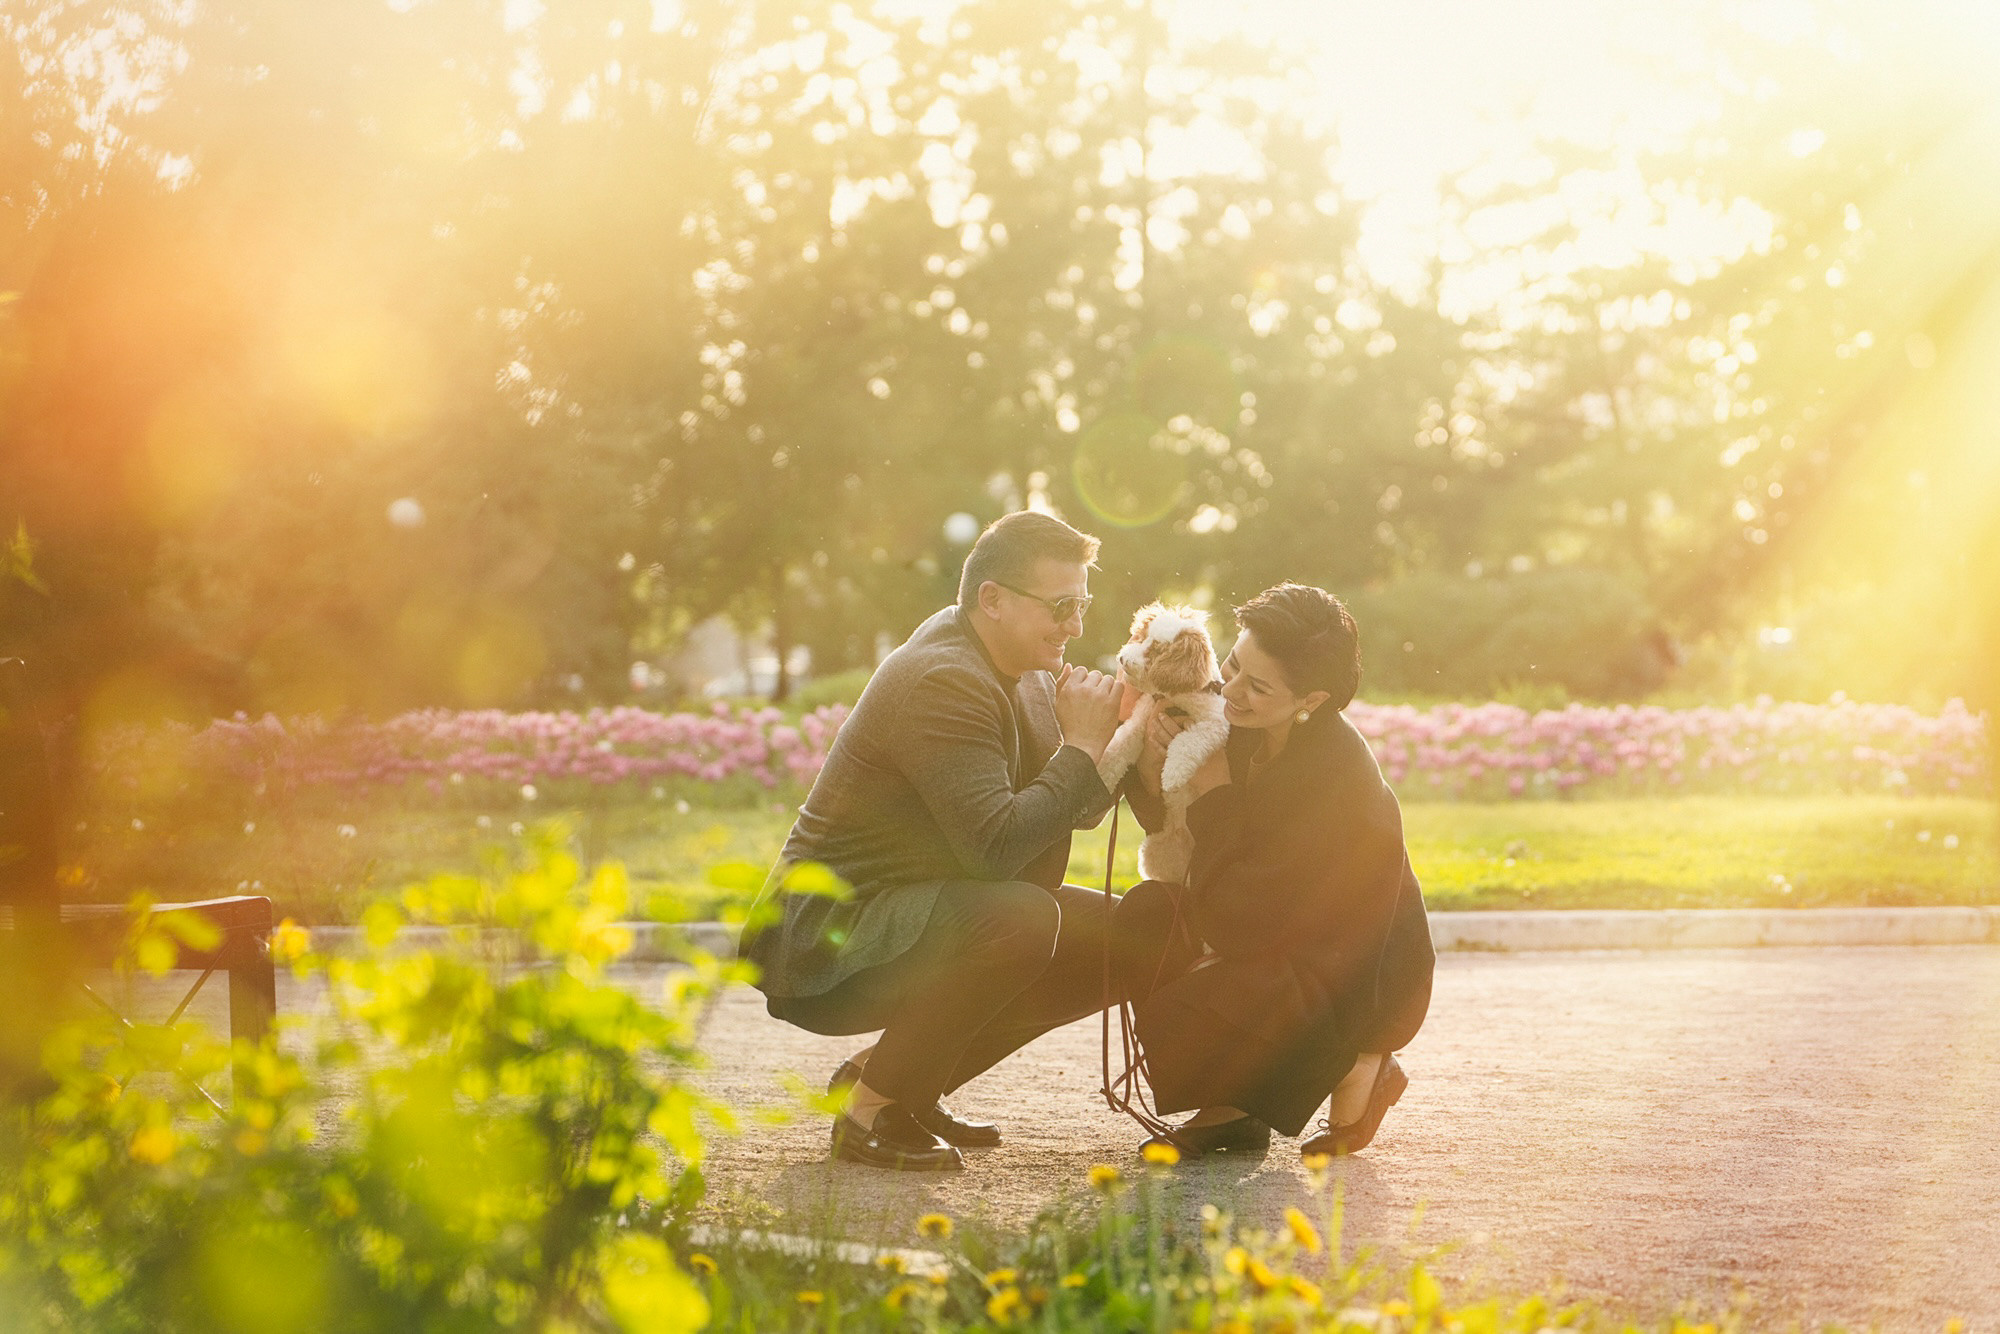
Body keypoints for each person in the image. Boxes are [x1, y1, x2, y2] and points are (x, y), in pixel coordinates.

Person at [740, 511, 1127, 1171]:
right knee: (1023, 918)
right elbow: (995, 849)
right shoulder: (942, 678)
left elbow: (1071, 809)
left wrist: (1129, 735)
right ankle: (870, 1113)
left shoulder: (1029, 671)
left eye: (1082, 605)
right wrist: (1083, 748)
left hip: (920, 910)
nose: (1076, 627)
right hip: (828, 937)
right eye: (1061, 606)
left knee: (1133, 933)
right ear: (992, 599)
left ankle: (894, 1082)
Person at [1112, 582, 1434, 1158]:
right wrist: (1155, 766)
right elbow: (1178, 833)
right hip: (1273, 937)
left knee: (1227, 981)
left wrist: (1214, 791)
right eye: (1234, 664)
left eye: (1257, 686)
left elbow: (1244, 920)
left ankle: (1355, 1063)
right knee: (1147, 916)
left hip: (1354, 975)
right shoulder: (1237, 728)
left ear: (1311, 699)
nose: (1230, 689)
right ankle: (1236, 1104)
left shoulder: (1335, 775)